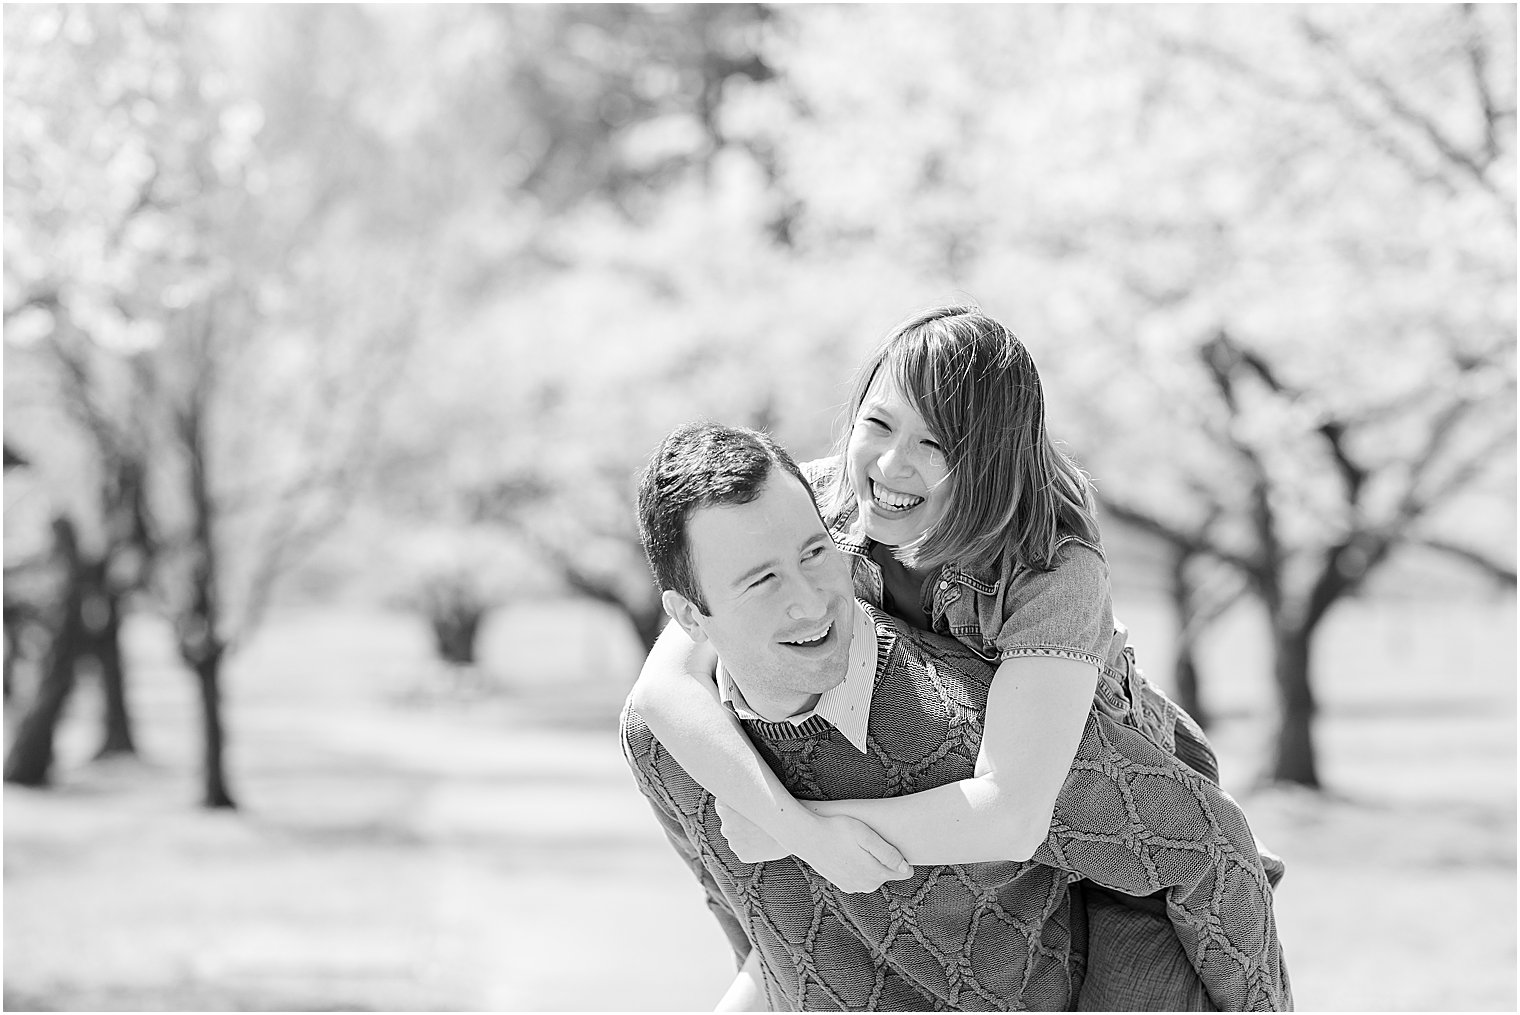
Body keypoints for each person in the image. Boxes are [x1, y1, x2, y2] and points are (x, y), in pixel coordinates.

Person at [622, 421, 1289, 1011]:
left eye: (814, 552)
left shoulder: (983, 722)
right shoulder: (667, 750)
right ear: (689, 615)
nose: (810, 600)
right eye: (762, 581)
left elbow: (1210, 845)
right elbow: (761, 935)